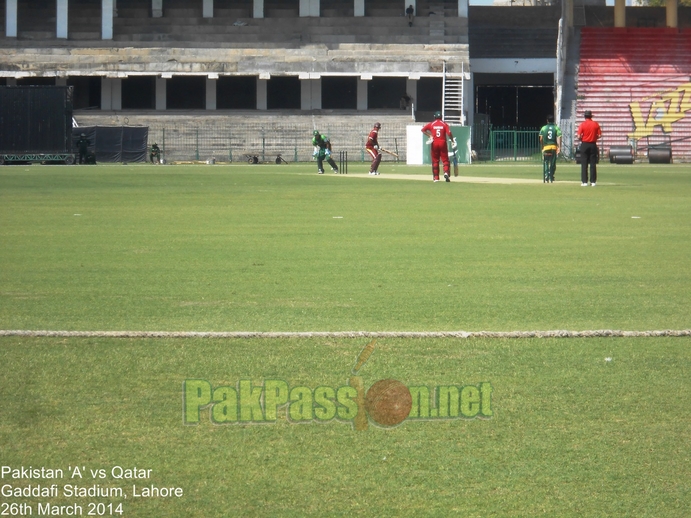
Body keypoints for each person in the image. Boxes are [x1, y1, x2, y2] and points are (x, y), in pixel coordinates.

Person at [421, 111, 456, 182]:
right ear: (441, 117)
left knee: (435, 161)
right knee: (445, 160)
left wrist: (430, 135)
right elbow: (449, 133)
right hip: (443, 143)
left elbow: (423, 130)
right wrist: (452, 140)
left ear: (434, 117)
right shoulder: (444, 124)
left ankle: (436, 178)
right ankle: (446, 172)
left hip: (434, 143)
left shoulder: (432, 124)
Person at [577, 110, 602, 186]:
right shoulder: (595, 124)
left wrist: (582, 139)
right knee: (593, 163)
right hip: (593, 144)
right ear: (591, 116)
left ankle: (584, 181)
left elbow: (578, 136)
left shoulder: (582, 124)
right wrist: (595, 137)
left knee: (584, 163)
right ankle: (593, 181)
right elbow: (600, 135)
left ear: (585, 117)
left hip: (584, 144)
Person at [539, 115, 561, 183]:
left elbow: (541, 138)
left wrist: (542, 146)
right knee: (553, 162)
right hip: (553, 147)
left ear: (547, 120)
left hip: (546, 147)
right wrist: (559, 147)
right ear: (553, 120)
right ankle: (551, 174)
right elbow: (559, 137)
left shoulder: (543, 128)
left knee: (546, 161)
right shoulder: (556, 128)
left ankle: (546, 174)